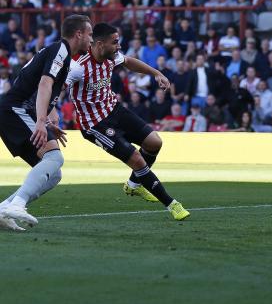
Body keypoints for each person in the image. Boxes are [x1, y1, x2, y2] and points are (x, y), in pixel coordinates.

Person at [66, 23, 190, 221]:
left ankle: (133, 185)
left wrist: (157, 73)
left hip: (114, 110)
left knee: (154, 142)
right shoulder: (78, 66)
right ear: (99, 44)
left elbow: (129, 62)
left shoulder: (111, 57)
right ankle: (172, 204)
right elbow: (55, 86)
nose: (118, 46)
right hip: (95, 124)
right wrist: (48, 114)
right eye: (115, 42)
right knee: (136, 159)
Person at [0, 14, 92, 231]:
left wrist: (48, 119)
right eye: (89, 34)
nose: (91, 39)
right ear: (78, 34)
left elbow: (36, 86)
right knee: (54, 156)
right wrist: (41, 121)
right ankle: (18, 204)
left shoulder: (61, 55)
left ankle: (4, 209)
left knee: (54, 173)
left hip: (18, 110)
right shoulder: (60, 50)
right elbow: (43, 84)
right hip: (15, 109)